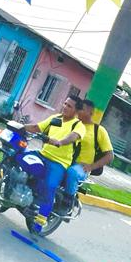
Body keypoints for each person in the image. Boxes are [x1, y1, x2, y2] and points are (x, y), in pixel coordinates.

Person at [24, 96, 86, 230]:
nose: (65, 107)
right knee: (20, 158)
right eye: (65, 103)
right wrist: (19, 127)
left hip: (58, 163)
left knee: (49, 186)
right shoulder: (55, 118)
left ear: (76, 111)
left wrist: (60, 142)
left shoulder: (78, 126)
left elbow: (73, 137)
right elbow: (36, 127)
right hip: (42, 155)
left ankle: (39, 223)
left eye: (69, 106)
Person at [64, 97, 114, 208]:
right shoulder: (72, 124)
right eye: (78, 108)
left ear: (90, 112)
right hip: (64, 160)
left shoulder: (99, 130)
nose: (79, 111)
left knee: (72, 173)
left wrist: (91, 166)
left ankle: (67, 202)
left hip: (81, 167)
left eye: (82, 109)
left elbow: (110, 156)